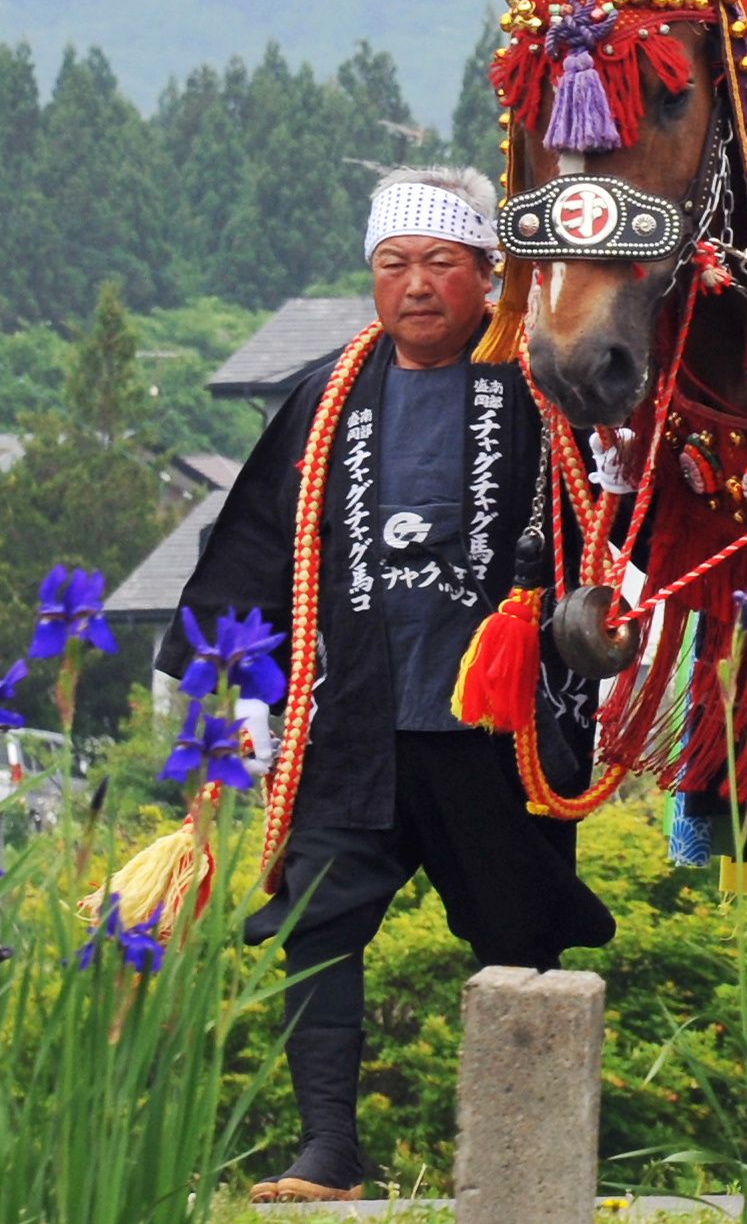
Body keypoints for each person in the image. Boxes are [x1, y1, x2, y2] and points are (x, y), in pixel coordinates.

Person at [165, 169, 613, 1205]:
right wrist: (240, 693)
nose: (415, 286)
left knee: (522, 932)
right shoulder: (324, 394)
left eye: (440, 264)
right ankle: (327, 1151)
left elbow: (615, 525)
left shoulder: (544, 389)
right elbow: (257, 551)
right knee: (315, 923)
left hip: (495, 727)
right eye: (393, 265)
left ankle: (535, 1161)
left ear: (488, 276)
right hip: (348, 719)